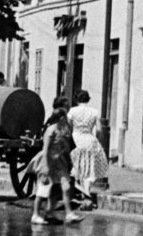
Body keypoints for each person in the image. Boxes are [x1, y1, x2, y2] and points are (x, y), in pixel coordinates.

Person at [30, 97, 81, 226]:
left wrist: (70, 162)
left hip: (61, 162)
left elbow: (67, 146)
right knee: (43, 189)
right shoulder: (51, 129)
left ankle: (66, 213)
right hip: (48, 161)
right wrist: (45, 166)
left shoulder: (66, 129)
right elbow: (45, 149)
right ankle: (35, 215)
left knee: (65, 186)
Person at [69, 88, 109, 207]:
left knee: (76, 167)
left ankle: (80, 194)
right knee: (88, 169)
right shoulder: (94, 112)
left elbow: (68, 125)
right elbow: (99, 130)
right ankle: (86, 195)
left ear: (77, 99)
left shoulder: (73, 111)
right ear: (88, 99)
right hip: (89, 140)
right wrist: (94, 137)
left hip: (76, 140)